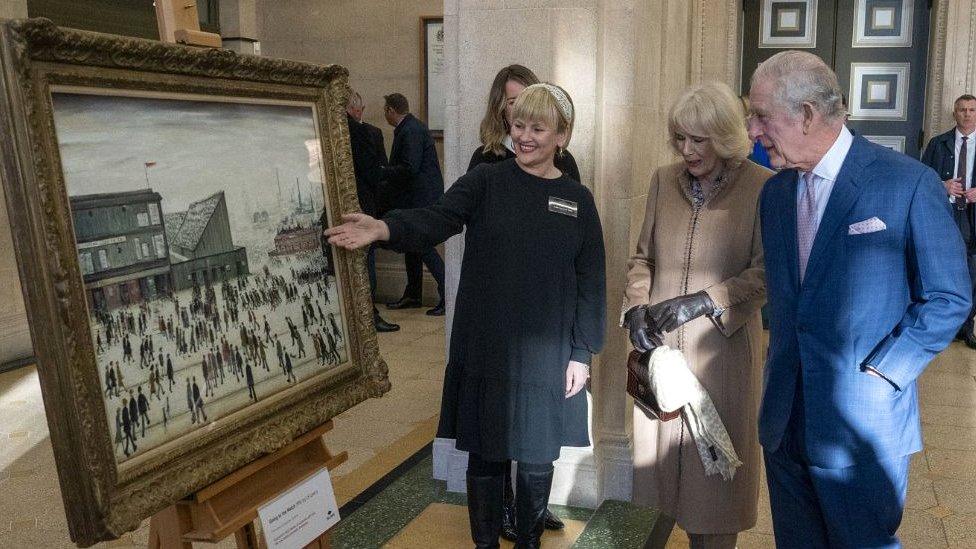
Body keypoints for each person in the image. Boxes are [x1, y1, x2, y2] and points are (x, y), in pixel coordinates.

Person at [326, 83, 605, 548]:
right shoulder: (487, 181)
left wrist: (582, 353)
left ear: (563, 135)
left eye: (538, 128)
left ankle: (530, 542)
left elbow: (591, 281)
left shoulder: (578, 199)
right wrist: (384, 226)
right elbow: (438, 217)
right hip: (488, 345)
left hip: (549, 353)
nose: (526, 137)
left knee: (537, 458)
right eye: (519, 126)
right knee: (488, 453)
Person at [748, 50, 971, 548]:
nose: (752, 131)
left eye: (761, 115)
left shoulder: (907, 182)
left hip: (862, 423)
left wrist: (885, 372)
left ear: (806, 114)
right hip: (785, 421)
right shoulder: (775, 194)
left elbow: (949, 297)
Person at [622, 82, 770, 549]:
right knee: (658, 484)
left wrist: (707, 299)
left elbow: (767, 274)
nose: (686, 150)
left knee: (715, 494)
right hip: (662, 360)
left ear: (725, 137)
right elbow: (642, 258)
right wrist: (635, 308)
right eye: (680, 138)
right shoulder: (663, 180)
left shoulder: (763, 187)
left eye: (699, 140)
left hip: (722, 357)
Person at [467, 63, 579, 539]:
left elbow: (580, 255)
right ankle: (500, 517)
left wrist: (581, 346)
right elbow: (454, 219)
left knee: (535, 440)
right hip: (497, 320)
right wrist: (387, 227)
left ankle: (528, 517)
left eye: (532, 112)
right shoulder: (486, 166)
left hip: (543, 327)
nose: (521, 122)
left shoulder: (569, 182)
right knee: (491, 437)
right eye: (512, 107)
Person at [381, 92, 447, 316]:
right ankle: (413, 294)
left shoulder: (410, 130)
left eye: (385, 111)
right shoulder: (413, 127)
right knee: (412, 244)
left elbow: (410, 167)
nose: (385, 115)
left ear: (391, 110)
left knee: (422, 246)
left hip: (420, 198)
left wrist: (382, 171)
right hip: (418, 197)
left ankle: (447, 292)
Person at [921, 94, 976, 348]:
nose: (967, 114)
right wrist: (942, 185)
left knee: (972, 271)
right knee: (942, 268)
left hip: (972, 215)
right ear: (954, 113)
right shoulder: (937, 143)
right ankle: (944, 325)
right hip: (945, 213)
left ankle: (967, 326)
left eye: (972, 110)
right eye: (962, 110)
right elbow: (921, 177)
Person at [346, 91, 400, 333]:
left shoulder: (323, 130)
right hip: (364, 206)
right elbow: (376, 174)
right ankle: (370, 315)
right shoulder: (365, 133)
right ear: (357, 109)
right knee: (366, 263)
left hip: (346, 208)